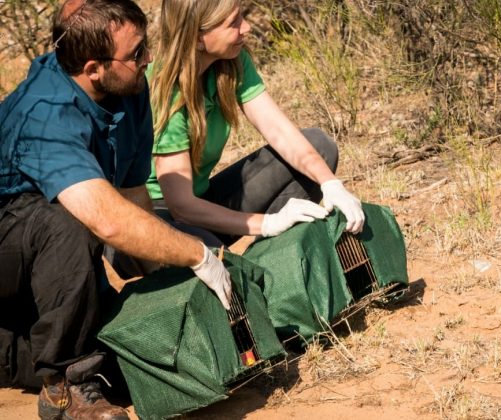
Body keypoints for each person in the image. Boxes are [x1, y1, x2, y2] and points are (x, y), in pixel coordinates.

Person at [0, 1, 233, 419]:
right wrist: (197, 256)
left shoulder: (127, 85)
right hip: (9, 255)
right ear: (93, 68)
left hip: (52, 270)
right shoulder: (45, 113)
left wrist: (174, 289)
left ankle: (52, 356)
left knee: (135, 358)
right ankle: (67, 384)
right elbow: (104, 216)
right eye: (137, 53)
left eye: (144, 47)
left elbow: (132, 195)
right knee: (68, 215)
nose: (148, 60)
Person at [146, 0, 365, 248]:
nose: (246, 28)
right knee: (211, 259)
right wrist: (268, 223)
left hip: (202, 201)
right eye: (233, 23)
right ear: (197, 38)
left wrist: (331, 184)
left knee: (320, 147)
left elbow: (279, 131)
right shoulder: (165, 91)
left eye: (241, 17)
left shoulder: (231, 62)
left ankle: (270, 257)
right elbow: (181, 207)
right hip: (158, 216)